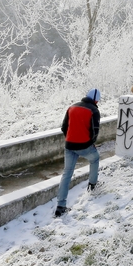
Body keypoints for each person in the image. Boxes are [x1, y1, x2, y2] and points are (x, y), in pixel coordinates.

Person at [54, 88, 101, 217]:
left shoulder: (72, 107)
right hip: (84, 145)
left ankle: (60, 206)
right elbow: (95, 131)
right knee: (95, 158)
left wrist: (71, 139)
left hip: (69, 145)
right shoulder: (94, 110)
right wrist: (90, 143)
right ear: (96, 100)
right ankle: (92, 185)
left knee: (67, 173)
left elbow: (64, 127)